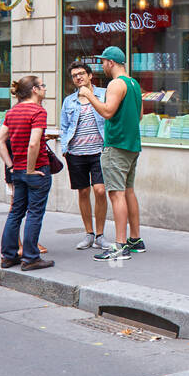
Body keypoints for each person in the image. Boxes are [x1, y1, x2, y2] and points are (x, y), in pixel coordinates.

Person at [84, 46, 145, 263]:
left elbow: (108, 112)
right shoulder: (133, 84)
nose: (102, 66)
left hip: (116, 145)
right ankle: (135, 239)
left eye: (103, 62)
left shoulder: (115, 84)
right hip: (131, 145)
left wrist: (89, 95)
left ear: (111, 62)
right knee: (128, 191)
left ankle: (119, 245)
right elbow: (139, 115)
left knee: (116, 194)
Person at [0, 75, 54, 271]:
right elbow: (34, 142)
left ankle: (8, 256)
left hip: (17, 170)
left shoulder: (12, 112)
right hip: (36, 170)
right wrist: (30, 168)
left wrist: (11, 165)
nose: (45, 89)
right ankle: (30, 258)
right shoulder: (38, 111)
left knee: (16, 212)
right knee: (34, 213)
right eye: (42, 86)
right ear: (35, 90)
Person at [60, 61, 109, 250]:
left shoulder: (103, 94)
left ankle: (100, 235)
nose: (78, 77)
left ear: (90, 75)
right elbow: (64, 127)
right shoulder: (69, 101)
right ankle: (89, 234)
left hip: (99, 151)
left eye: (81, 73)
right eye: (74, 75)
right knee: (83, 192)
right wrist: (65, 148)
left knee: (100, 190)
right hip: (76, 153)